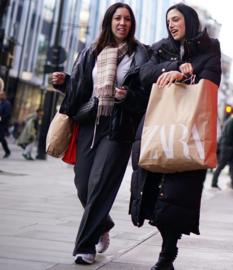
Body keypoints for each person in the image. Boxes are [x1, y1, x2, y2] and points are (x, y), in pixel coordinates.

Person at [50, 3, 149, 264]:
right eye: (117, 18)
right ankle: (102, 223)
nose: (122, 23)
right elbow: (82, 89)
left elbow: (146, 97)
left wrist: (126, 96)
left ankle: (85, 247)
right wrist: (65, 83)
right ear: (109, 21)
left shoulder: (140, 55)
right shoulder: (91, 51)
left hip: (117, 129)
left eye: (127, 19)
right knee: (83, 185)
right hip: (88, 124)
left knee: (100, 185)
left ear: (132, 24)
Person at [129, 3, 221, 270]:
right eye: (168, 20)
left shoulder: (209, 47)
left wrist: (186, 77)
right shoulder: (158, 48)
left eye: (176, 19)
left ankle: (167, 254)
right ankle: (166, 248)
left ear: (189, 21)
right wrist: (173, 67)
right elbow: (143, 75)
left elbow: (212, 79)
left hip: (188, 131)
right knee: (152, 198)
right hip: (158, 129)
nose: (171, 24)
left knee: (176, 198)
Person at [210, 105, 233, 190]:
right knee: (222, 165)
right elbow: (230, 136)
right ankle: (214, 182)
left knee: (232, 166)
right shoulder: (232, 121)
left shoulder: (230, 120)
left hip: (227, 147)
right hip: (228, 147)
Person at [0, 88, 12, 158]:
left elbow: (7, 115)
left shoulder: (7, 104)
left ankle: (7, 151)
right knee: (1, 139)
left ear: (4, 95)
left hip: (3, 125)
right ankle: (7, 151)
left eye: (1, 95)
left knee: (1, 138)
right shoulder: (1, 103)